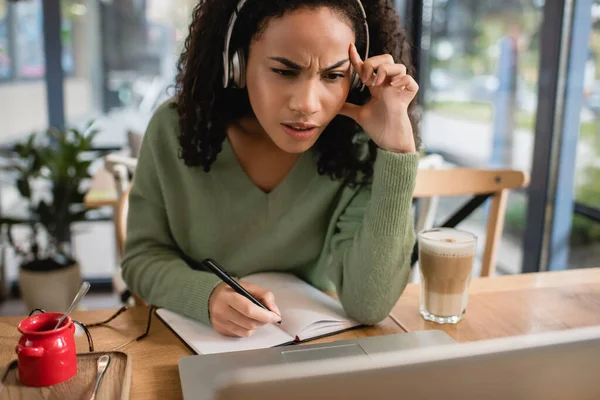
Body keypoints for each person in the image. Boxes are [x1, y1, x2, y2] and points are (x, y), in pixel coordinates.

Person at [121, 0, 420, 338]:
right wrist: (205, 296)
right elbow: (142, 259)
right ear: (237, 64)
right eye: (284, 71)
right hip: (186, 345)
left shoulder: (358, 146)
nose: (307, 104)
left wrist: (396, 151)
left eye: (334, 75)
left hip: (310, 351)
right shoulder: (176, 130)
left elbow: (369, 304)